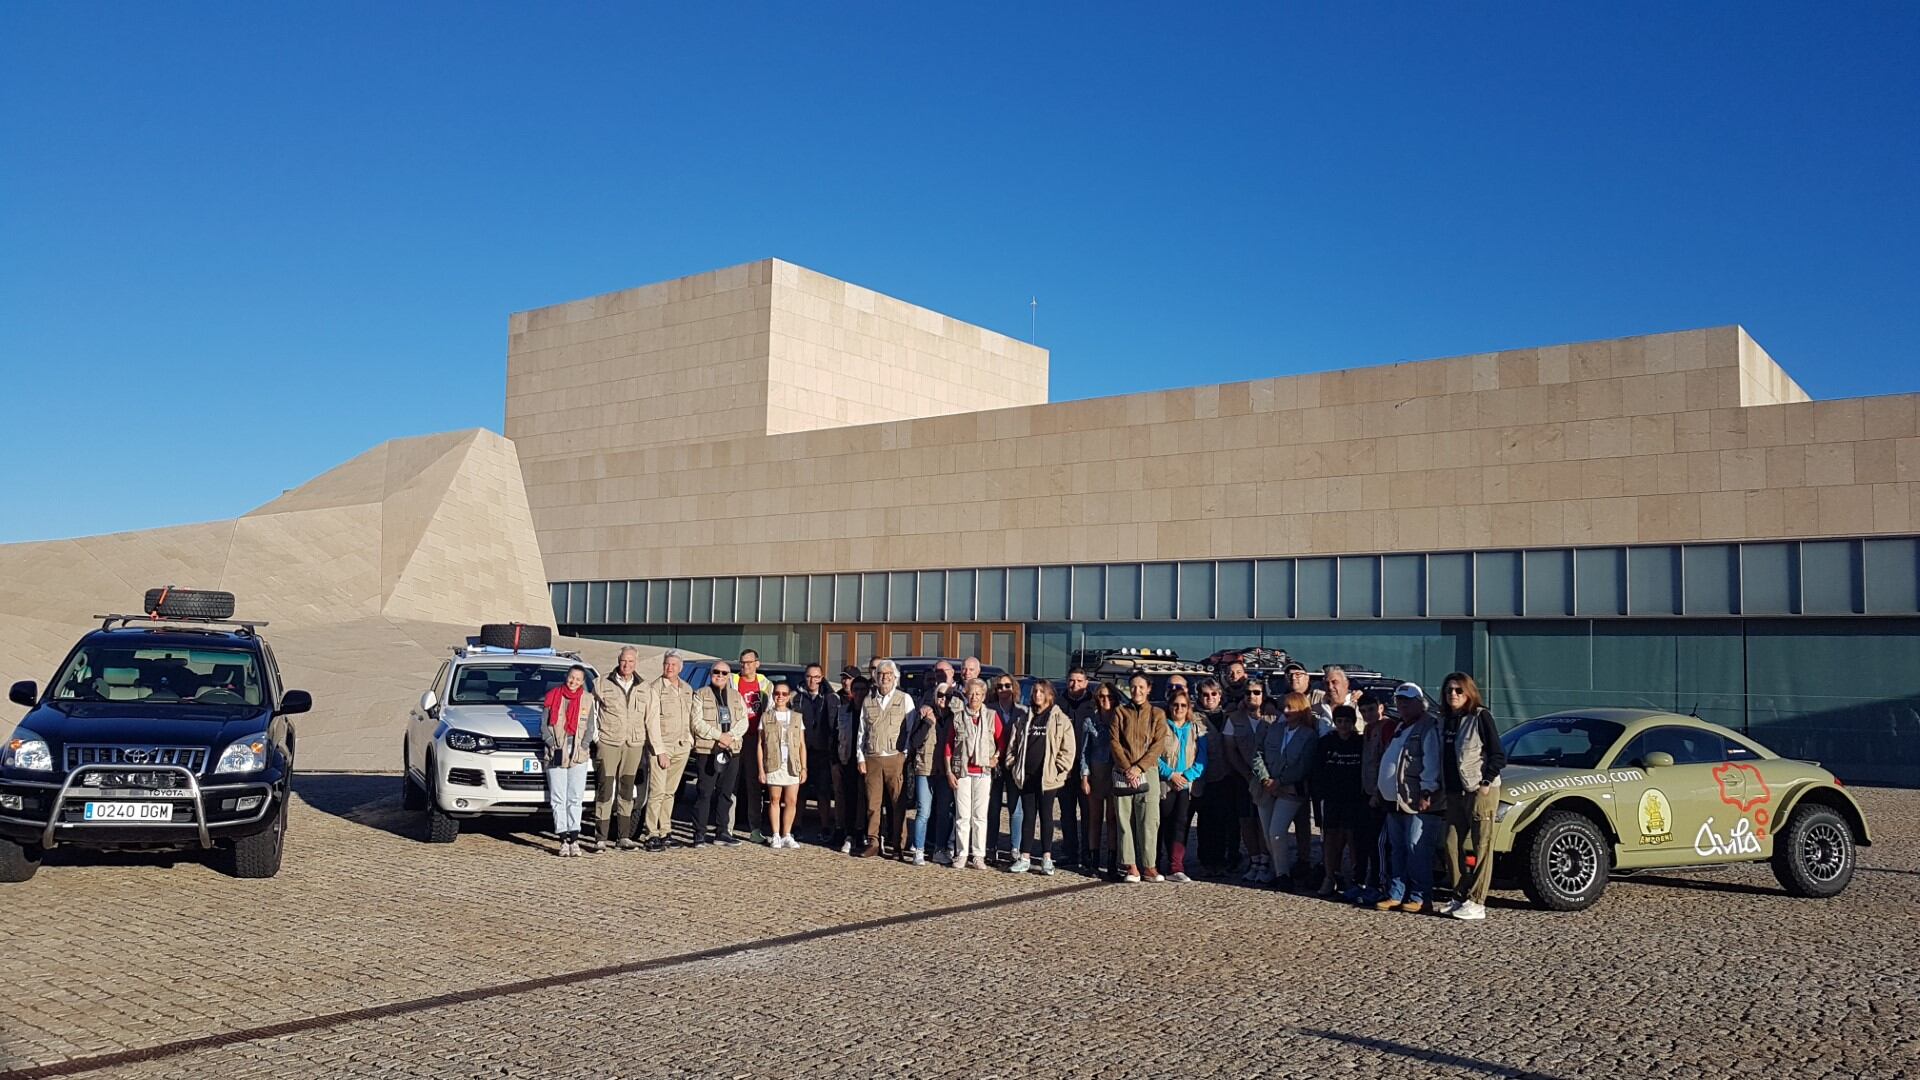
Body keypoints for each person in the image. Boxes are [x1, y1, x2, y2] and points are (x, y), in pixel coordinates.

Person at [1439, 672, 1504, 921]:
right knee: (1451, 843)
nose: (1453, 695)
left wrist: (1485, 782)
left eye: (1458, 690)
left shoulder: (1480, 716)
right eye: (1449, 691)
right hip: (1454, 791)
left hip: (1479, 790)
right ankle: (1460, 894)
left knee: (1482, 845)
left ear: (1468, 692)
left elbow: (1498, 754)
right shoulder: (1445, 720)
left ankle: (1477, 901)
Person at [1375, 683, 1444, 913]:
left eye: (1407, 700)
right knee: (1398, 847)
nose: (1402, 705)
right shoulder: (1400, 727)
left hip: (1416, 799)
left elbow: (1431, 761)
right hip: (1394, 799)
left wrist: (1427, 791)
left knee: (1417, 847)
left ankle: (1420, 896)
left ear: (1419, 702)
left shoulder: (1428, 727)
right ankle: (1396, 893)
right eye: (1399, 700)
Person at [1006, 680, 1076, 875]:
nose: (1037, 694)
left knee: (1046, 816)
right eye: (1035, 691)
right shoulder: (1024, 718)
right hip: (1027, 776)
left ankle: (1046, 858)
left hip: (1048, 777)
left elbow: (1068, 748)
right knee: (1028, 816)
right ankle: (1025, 857)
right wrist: (1013, 765)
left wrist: (1059, 767)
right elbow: (1013, 744)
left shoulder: (1059, 719)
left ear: (1049, 695)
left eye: (1041, 691)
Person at [1252, 690, 1318, 890]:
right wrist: (1265, 779)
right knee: (1267, 832)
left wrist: (1279, 781)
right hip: (1266, 787)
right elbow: (1258, 753)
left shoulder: (1309, 735)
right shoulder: (1274, 729)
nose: (1286, 711)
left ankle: (1283, 875)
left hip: (1290, 789)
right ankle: (1277, 868)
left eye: (1291, 707)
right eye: (1285, 707)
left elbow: (1303, 766)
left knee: (1277, 830)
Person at [1111, 673, 1172, 884]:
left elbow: (1158, 744)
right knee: (1124, 819)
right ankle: (1131, 865)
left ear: (1148, 689)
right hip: (1122, 772)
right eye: (1133, 687)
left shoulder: (1157, 714)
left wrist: (1140, 768)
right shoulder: (1120, 712)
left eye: (1140, 687)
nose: (1136, 691)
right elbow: (1115, 742)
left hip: (1149, 771)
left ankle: (1149, 865)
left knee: (1149, 820)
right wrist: (1128, 768)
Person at [589, 646, 649, 853]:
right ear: (618, 660)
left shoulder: (644, 687)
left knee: (626, 790)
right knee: (605, 789)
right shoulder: (601, 683)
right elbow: (592, 714)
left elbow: (648, 718)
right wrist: (597, 738)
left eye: (631, 661)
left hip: (633, 745)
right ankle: (600, 838)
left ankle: (624, 836)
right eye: (624, 661)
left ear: (636, 663)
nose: (627, 665)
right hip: (609, 743)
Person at [857, 658, 915, 858]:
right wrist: (860, 757)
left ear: (895, 677)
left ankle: (898, 844)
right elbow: (862, 731)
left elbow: (910, 729)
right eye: (881, 674)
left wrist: (904, 754)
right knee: (873, 804)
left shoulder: (904, 699)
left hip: (894, 757)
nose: (885, 678)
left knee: (897, 803)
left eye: (889, 674)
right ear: (876, 677)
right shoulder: (868, 701)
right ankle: (873, 841)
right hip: (872, 757)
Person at [640, 651, 696, 851]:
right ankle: (651, 833)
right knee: (657, 791)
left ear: (680, 668)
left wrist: (690, 740)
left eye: (673, 664)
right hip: (662, 747)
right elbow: (651, 721)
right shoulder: (655, 688)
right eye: (667, 664)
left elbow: (691, 717)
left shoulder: (687, 689)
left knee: (670, 792)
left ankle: (665, 830)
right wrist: (659, 750)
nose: (669, 668)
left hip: (681, 747)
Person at [689, 662, 748, 846]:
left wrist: (730, 736)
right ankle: (699, 833)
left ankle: (722, 832)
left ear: (729, 675)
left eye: (724, 673)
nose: (720, 675)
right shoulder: (700, 694)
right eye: (716, 672)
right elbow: (696, 723)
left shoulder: (737, 696)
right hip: (708, 750)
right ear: (711, 674)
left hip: (732, 750)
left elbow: (743, 721)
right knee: (705, 793)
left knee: (726, 793)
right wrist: (718, 736)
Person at [945, 678, 1002, 870]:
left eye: (978, 694)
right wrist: (948, 771)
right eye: (971, 694)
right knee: (963, 815)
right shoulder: (958, 716)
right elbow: (948, 745)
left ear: (984, 696)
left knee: (979, 816)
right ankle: (961, 853)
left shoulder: (992, 716)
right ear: (966, 695)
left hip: (983, 772)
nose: (974, 697)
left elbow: (1003, 739)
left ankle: (978, 855)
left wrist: (996, 756)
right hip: (962, 772)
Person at [542, 665, 597, 857]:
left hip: (578, 754)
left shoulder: (588, 700)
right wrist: (551, 743)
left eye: (578, 679)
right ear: (567, 677)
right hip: (556, 752)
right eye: (571, 677)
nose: (573, 682)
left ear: (582, 682)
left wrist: (584, 746)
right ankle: (563, 838)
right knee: (558, 798)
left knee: (575, 797)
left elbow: (590, 727)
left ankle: (575, 838)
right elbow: (544, 725)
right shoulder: (553, 696)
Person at [1313, 704, 1367, 896]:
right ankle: (1330, 876)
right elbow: (1317, 770)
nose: (1343, 725)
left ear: (1353, 723)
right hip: (1331, 797)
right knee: (1330, 838)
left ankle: (1354, 878)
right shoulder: (1326, 742)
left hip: (1354, 799)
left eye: (1347, 722)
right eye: (1340, 721)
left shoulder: (1360, 742)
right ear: (1335, 723)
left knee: (1353, 838)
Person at [1158, 689, 1208, 883]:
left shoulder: (1195, 728)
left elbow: (1202, 756)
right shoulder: (1161, 727)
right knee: (1161, 823)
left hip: (1186, 785)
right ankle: (1154, 862)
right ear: (1170, 706)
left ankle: (1176, 865)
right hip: (1165, 783)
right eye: (1175, 704)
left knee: (1181, 824)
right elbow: (1153, 754)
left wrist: (1186, 777)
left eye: (1183, 705)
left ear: (1188, 708)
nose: (1179, 708)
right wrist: (1170, 774)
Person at [1221, 681, 1269, 882]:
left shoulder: (1273, 719)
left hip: (1268, 779)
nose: (1252, 696)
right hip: (1242, 778)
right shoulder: (1234, 719)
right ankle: (1254, 859)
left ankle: (1267, 861)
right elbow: (1230, 750)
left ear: (1263, 695)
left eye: (1257, 692)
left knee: (1264, 821)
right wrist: (1246, 774)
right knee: (1246, 821)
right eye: (1248, 693)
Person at [1354, 690, 1398, 905]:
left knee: (1380, 843)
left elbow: (1387, 761)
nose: (1368, 714)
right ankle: (1369, 882)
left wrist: (1380, 793)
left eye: (1371, 709)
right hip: (1367, 792)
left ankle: (1381, 885)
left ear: (1381, 708)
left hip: (1380, 795)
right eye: (1363, 711)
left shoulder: (1387, 727)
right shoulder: (1369, 728)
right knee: (1367, 841)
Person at [730, 650, 775, 845]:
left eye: (749, 662)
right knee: (729, 785)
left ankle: (754, 829)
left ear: (757, 663)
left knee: (753, 787)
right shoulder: (732, 680)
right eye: (742, 663)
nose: (745, 666)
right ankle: (726, 828)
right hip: (734, 737)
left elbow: (772, 711)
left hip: (755, 740)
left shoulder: (766, 685)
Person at [792, 663, 841, 841]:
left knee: (823, 792)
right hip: (800, 751)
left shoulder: (831, 698)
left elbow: (836, 726)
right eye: (809, 677)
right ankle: (796, 825)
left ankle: (825, 826)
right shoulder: (796, 698)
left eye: (816, 677)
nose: (812, 681)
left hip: (823, 751)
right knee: (799, 792)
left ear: (821, 678)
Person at [1190, 678, 1234, 876]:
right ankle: (1206, 860)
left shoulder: (1229, 716)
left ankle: (1223, 859)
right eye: (1205, 694)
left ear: (1220, 696)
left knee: (1224, 821)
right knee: (1205, 821)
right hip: (1201, 777)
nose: (1209, 698)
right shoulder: (1193, 718)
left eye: (1213, 694)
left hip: (1225, 775)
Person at [1055, 668, 1097, 866]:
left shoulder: (1093, 704)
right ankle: (1069, 852)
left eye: (1079, 681)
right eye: (1072, 681)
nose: (1075, 685)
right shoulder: (1058, 703)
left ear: (1086, 683)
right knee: (1067, 813)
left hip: (1088, 769)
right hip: (1065, 768)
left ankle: (1089, 852)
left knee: (1088, 813)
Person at [759, 683, 808, 849]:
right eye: (777, 693)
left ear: (788, 697)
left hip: (792, 764)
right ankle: (775, 834)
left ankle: (787, 834)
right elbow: (760, 744)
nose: (780, 696)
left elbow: (802, 744)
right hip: (773, 763)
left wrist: (804, 767)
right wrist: (761, 769)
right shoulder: (766, 717)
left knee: (792, 800)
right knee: (774, 799)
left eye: (784, 694)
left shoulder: (796, 717)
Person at [903, 675, 944, 866]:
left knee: (944, 812)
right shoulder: (925, 714)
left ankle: (939, 849)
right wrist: (928, 722)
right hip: (925, 769)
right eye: (941, 695)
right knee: (923, 811)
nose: (944, 699)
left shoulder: (953, 718)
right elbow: (914, 741)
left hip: (945, 772)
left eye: (948, 696)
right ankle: (918, 849)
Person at [1079, 682, 1118, 876]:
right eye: (1102, 696)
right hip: (1096, 773)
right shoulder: (1090, 721)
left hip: (1114, 774)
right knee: (1094, 819)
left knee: (1112, 819)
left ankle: (1112, 861)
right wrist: (1084, 777)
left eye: (1109, 697)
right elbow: (1085, 752)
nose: (1106, 700)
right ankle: (1093, 861)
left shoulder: (1120, 720)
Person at [988, 675, 1029, 863]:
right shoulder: (989, 710)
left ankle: (1015, 847)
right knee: (993, 807)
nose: (1003, 689)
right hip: (993, 765)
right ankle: (991, 846)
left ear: (1014, 688)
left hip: (1014, 765)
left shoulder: (1023, 712)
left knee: (1016, 807)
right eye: (1000, 686)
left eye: (1007, 685)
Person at [833, 674, 870, 854]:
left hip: (867, 762)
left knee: (866, 799)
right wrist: (836, 761)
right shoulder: (843, 711)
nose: (860, 693)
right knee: (849, 798)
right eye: (856, 690)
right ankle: (849, 834)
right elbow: (835, 736)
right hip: (847, 760)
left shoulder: (871, 711)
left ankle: (862, 832)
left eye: (864, 690)